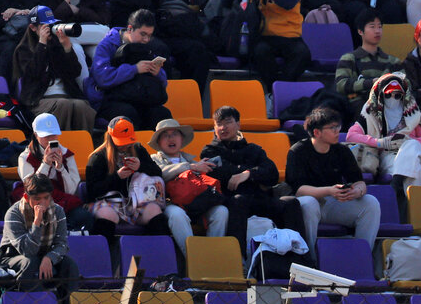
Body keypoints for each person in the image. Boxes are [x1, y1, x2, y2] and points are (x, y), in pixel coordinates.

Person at [201, 106, 304, 247]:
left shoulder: (253, 149)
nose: (223, 127)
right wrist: (252, 172)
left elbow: (271, 172)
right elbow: (221, 173)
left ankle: (300, 254)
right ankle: (239, 257)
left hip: (257, 199)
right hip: (229, 200)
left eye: (227, 122)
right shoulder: (209, 151)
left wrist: (247, 174)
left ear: (238, 124)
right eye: (219, 124)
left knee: (290, 203)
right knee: (239, 200)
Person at [287, 107, 380, 249]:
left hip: (333, 202)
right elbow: (299, 190)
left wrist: (358, 190)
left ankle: (362, 255)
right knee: (309, 204)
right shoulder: (298, 151)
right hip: (308, 202)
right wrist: (329, 190)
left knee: (371, 203)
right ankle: (308, 258)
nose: (337, 131)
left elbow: (358, 181)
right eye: (332, 128)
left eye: (338, 127)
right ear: (317, 132)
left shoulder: (342, 151)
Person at [344, 74, 421, 213]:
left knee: (411, 146)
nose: (393, 99)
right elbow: (351, 135)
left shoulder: (412, 113)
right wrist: (380, 143)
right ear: (380, 95)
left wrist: (405, 142)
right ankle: (419, 215)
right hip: (389, 156)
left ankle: (397, 182)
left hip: (419, 155)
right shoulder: (370, 113)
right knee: (414, 172)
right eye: (388, 95)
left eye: (397, 96)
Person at [148, 119, 229, 250]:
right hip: (170, 204)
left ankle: (214, 256)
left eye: (174, 134)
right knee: (177, 215)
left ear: (181, 138)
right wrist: (191, 167)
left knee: (221, 211)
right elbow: (160, 173)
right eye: (165, 135)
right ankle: (193, 258)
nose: (171, 139)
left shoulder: (193, 161)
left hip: (197, 203)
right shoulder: (152, 159)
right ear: (159, 142)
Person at [80, 117, 167, 238]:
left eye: (127, 141)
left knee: (154, 211)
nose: (125, 145)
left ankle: (155, 253)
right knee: (107, 215)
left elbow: (158, 173)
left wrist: (140, 166)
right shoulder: (98, 157)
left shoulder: (138, 149)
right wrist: (117, 177)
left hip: (137, 201)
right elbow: (92, 191)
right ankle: (104, 254)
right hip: (108, 202)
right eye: (121, 142)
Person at [14, 8, 97, 132]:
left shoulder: (57, 45)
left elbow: (74, 72)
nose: (50, 28)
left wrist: (67, 48)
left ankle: (84, 143)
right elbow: (34, 73)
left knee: (82, 106)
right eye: (45, 26)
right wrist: (42, 44)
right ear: (33, 27)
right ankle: (60, 144)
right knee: (63, 105)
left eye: (52, 24)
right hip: (38, 99)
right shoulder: (24, 50)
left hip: (66, 95)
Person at [89, 10, 173, 130]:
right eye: (143, 34)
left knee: (162, 115)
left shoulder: (149, 46)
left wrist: (158, 73)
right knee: (129, 115)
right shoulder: (107, 45)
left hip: (140, 97)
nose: (146, 40)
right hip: (111, 99)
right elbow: (102, 77)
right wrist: (134, 69)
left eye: (149, 35)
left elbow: (163, 82)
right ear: (130, 29)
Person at [0, 174, 79, 290]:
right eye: (37, 199)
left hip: (43, 254)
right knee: (31, 262)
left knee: (69, 264)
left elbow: (62, 244)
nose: (42, 203)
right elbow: (27, 250)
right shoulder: (14, 213)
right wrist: (37, 222)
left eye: (46, 198)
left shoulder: (57, 211)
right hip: (13, 257)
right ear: (26, 197)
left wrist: (49, 258)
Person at [243, 0, 310, 84]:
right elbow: (226, 0)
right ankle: (271, 92)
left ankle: (282, 89)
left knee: (303, 55)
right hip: (266, 36)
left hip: (290, 36)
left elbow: (289, 2)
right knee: (260, 52)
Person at [330, 10, 404, 123]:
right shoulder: (350, 58)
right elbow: (341, 85)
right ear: (360, 31)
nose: (377, 31)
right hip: (358, 105)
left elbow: (405, 82)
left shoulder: (393, 61)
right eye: (372, 27)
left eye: (380, 27)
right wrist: (371, 83)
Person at [18, 113, 88, 228]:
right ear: (36, 135)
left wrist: (61, 168)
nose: (50, 139)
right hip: (37, 202)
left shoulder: (67, 155)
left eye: (53, 135)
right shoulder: (25, 157)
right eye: (46, 136)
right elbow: (33, 188)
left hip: (63, 200)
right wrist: (45, 164)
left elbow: (71, 191)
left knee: (83, 217)